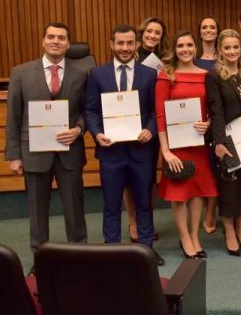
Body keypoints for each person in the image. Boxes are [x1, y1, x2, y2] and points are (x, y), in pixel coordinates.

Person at [5, 23, 88, 256]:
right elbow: (14, 115)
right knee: (37, 211)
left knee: (75, 210)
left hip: (69, 152)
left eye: (61, 38)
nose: (56, 41)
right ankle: (41, 260)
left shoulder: (81, 74)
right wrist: (14, 156)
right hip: (34, 153)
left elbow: (87, 110)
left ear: (68, 44)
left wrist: (79, 129)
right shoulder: (20, 73)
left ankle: (79, 256)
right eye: (51, 37)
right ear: (43, 40)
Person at [83, 24, 162, 265]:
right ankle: (112, 252)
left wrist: (150, 129)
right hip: (111, 151)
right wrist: (96, 134)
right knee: (111, 204)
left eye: (130, 43)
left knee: (144, 203)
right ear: (112, 45)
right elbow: (91, 110)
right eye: (120, 43)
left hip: (141, 150)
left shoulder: (149, 74)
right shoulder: (97, 74)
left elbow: (154, 110)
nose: (125, 48)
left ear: (136, 45)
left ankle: (146, 250)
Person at [156, 30, 218, 259]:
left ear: (196, 48)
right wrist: (165, 149)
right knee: (180, 192)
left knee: (198, 191)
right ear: (175, 49)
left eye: (189, 45)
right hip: (176, 145)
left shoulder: (206, 75)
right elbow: (160, 114)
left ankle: (195, 236)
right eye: (180, 45)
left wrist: (208, 123)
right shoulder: (166, 76)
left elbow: (213, 107)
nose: (185, 49)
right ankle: (184, 238)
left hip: (199, 142)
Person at [205, 29, 241, 257]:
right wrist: (218, 141)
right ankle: (229, 232)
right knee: (230, 187)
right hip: (227, 139)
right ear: (220, 51)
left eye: (235, 47)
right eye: (227, 47)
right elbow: (216, 111)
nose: (232, 51)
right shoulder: (215, 76)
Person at [126, 17, 168, 242]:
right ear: (142, 33)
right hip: (129, 122)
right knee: (128, 178)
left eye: (157, 33)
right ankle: (133, 221)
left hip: (153, 123)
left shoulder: (164, 61)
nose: (152, 36)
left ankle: (146, 222)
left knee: (147, 177)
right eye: (149, 31)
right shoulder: (128, 54)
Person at [195, 15, 221, 235]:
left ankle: (211, 212)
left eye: (212, 27)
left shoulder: (224, 57)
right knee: (202, 168)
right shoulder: (192, 58)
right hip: (197, 123)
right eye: (204, 27)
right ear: (200, 31)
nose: (208, 30)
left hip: (218, 118)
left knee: (215, 168)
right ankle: (202, 209)